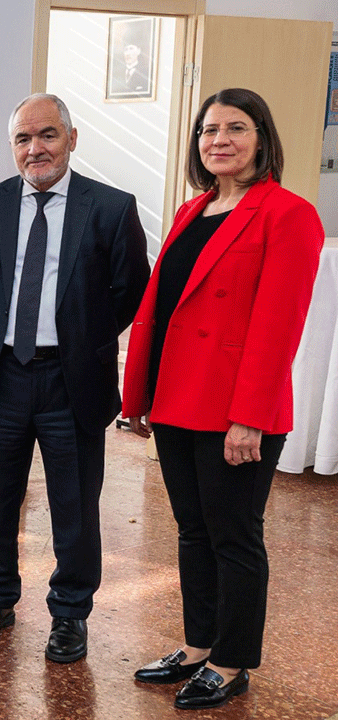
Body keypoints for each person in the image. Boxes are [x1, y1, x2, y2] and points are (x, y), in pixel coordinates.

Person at [122, 88, 324, 710]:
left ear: (262, 138)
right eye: (209, 130)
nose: (220, 140)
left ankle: (232, 660)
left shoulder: (287, 214)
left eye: (236, 128)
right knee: (191, 532)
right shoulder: (192, 211)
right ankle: (198, 644)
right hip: (180, 400)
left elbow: (277, 326)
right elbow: (165, 313)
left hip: (236, 409)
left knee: (234, 535)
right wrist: (142, 395)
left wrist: (250, 419)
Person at [0, 93, 149, 662]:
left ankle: (69, 613)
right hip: (5, 377)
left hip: (74, 382)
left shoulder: (112, 207)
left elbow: (128, 291)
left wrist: (81, 340)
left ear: (71, 137)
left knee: (74, 504)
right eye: (23, 138)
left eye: (46, 135)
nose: (35, 148)